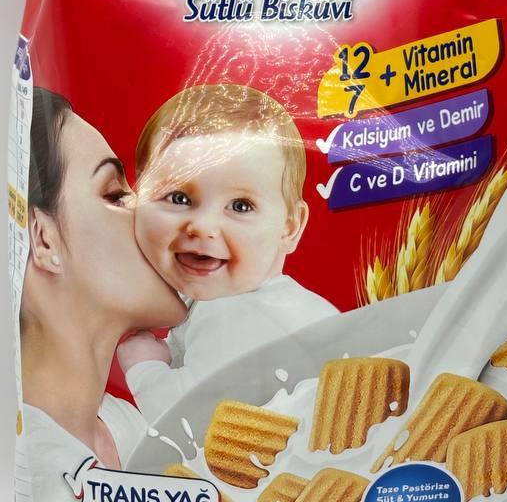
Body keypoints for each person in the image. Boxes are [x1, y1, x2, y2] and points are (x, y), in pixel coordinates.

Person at [118, 83, 338, 418]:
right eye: (179, 198)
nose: (203, 226)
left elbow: (187, 421)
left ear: (289, 227)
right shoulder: (266, 301)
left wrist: (144, 368)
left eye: (240, 206)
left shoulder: (233, 312)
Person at [19, 87, 186, 467]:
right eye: (114, 194)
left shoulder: (131, 429)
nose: (151, 214)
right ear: (43, 240)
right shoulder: (31, 467)